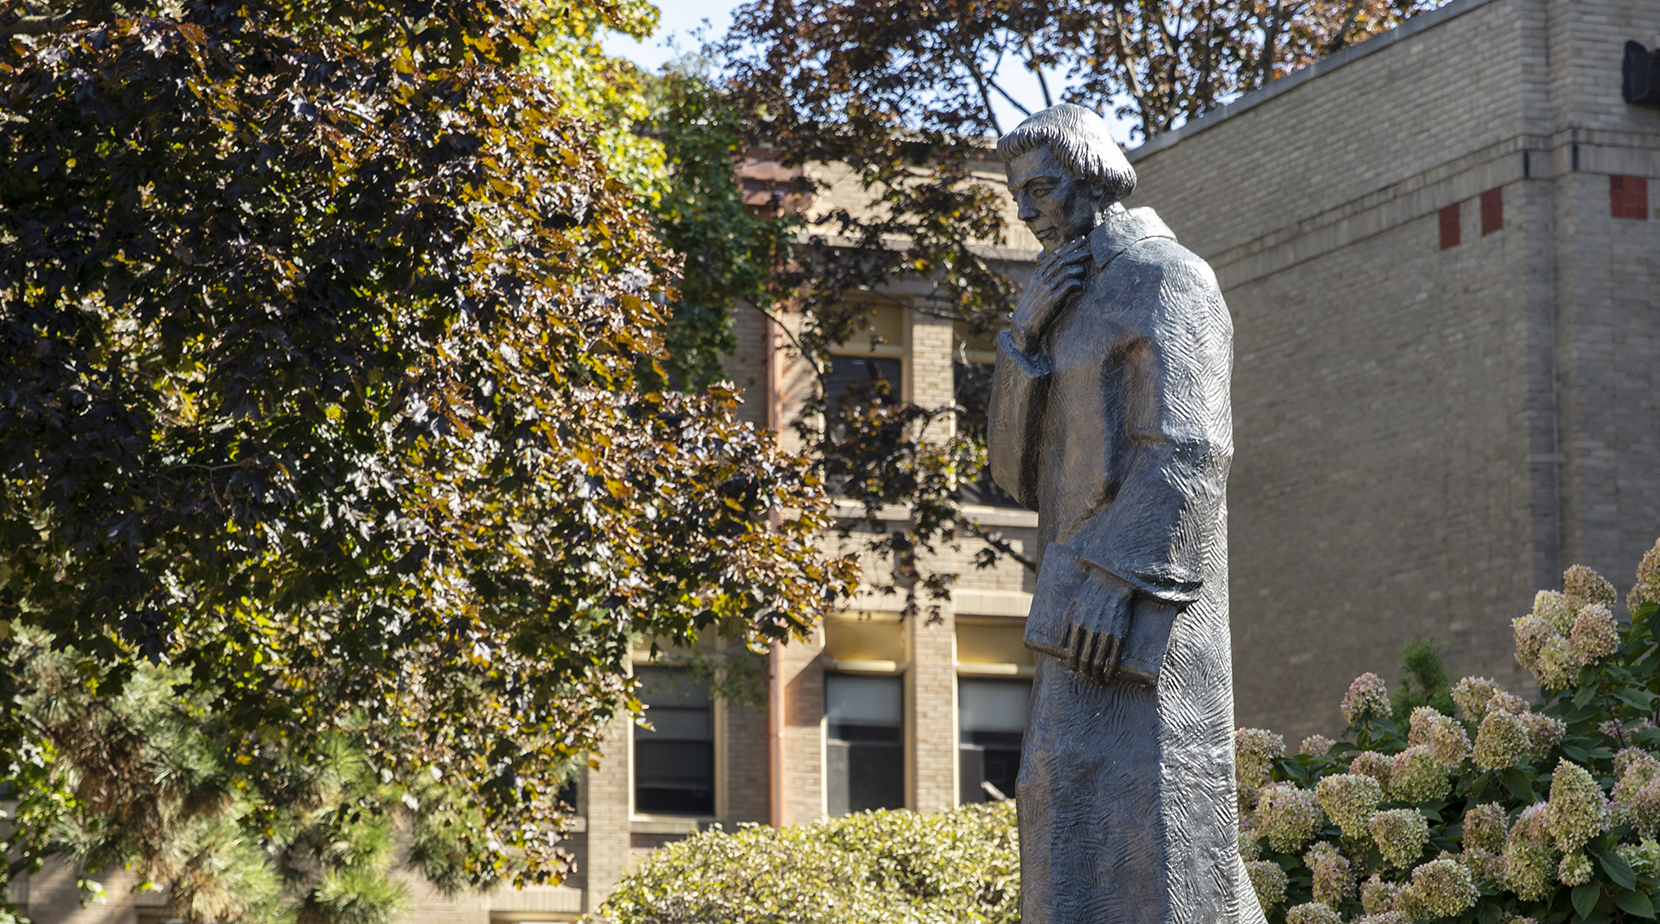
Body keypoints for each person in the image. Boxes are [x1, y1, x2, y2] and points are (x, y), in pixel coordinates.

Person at [987, 104, 1264, 924]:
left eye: (1042, 189)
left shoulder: (1169, 276)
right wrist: (1024, 340)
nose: (1030, 212)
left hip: (1141, 606)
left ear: (1095, 176)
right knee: (1060, 798)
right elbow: (1013, 474)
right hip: (1076, 599)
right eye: (1020, 198)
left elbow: (1191, 447)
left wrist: (1116, 578)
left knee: (1156, 812)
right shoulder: (1063, 296)